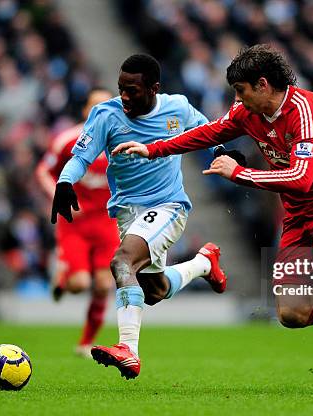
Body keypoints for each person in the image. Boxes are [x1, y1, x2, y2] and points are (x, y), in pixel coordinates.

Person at [113, 45, 313, 395]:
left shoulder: (307, 109)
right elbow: (209, 132)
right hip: (298, 216)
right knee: (292, 314)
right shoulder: (246, 111)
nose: (236, 99)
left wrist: (240, 173)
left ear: (263, 84)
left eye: (241, 91)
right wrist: (153, 148)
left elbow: (301, 176)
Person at [50, 54, 227, 380]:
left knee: (121, 264)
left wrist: (221, 152)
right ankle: (204, 264)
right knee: (153, 290)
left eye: (132, 90)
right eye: (121, 89)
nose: (125, 96)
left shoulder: (176, 107)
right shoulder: (106, 114)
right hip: (128, 215)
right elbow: (80, 157)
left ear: (154, 88)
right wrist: (64, 182)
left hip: (168, 207)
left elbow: (206, 127)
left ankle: (128, 349)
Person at [36, 87, 119, 358]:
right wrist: (59, 195)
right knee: (81, 284)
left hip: (107, 223)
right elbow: (43, 171)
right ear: (86, 111)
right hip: (75, 224)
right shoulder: (67, 140)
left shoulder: (123, 141)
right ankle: (62, 275)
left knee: (105, 285)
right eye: (96, 106)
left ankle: (85, 342)